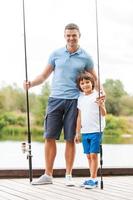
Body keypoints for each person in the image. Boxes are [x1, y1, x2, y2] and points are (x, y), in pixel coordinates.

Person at [23, 23, 98, 186]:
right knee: (49, 136)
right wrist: (31, 83)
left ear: (79, 36)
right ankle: (48, 175)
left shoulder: (86, 57)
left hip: (74, 101)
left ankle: (68, 175)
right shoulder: (56, 54)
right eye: (68, 35)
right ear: (64, 36)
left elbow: (95, 79)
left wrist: (101, 94)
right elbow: (43, 76)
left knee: (70, 138)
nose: (71, 38)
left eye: (74, 35)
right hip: (55, 99)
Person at [75, 72, 106, 189]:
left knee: (94, 155)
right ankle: (91, 177)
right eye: (82, 83)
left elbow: (104, 114)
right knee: (88, 156)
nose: (85, 85)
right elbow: (79, 116)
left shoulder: (98, 95)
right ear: (79, 86)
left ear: (92, 83)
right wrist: (77, 132)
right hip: (85, 132)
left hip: (96, 131)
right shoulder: (81, 98)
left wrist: (101, 105)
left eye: (87, 82)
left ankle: (94, 179)